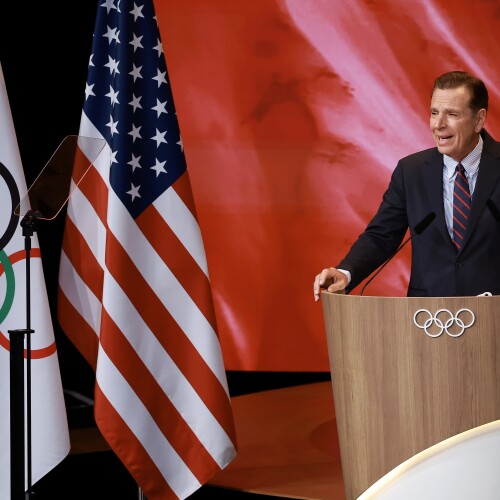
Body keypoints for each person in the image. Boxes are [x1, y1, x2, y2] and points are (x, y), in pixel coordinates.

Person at [313, 70, 500, 300]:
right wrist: (345, 272)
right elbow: (382, 235)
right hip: (427, 314)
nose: (438, 124)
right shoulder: (411, 171)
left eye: (452, 114)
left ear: (479, 119)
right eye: (434, 113)